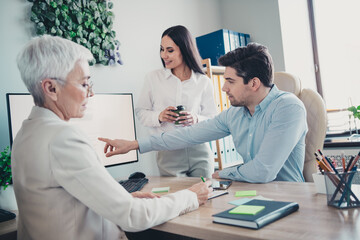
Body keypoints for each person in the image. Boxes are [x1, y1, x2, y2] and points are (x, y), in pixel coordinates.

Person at [11, 35, 212, 240]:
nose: (90, 93)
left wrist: (118, 197)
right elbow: (132, 216)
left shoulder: (25, 133)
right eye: (84, 84)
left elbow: (60, 203)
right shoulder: (62, 138)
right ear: (51, 88)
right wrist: (190, 196)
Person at [99, 43, 308, 183]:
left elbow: (263, 171)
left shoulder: (288, 108)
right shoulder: (234, 115)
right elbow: (187, 135)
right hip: (251, 194)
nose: (224, 88)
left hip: (290, 199)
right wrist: (134, 144)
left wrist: (221, 174)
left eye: (230, 81)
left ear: (254, 83)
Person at [135, 25, 217, 178]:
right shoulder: (153, 78)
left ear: (185, 50)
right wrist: (159, 116)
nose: (163, 55)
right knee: (176, 199)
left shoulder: (203, 81)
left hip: (199, 150)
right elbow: (140, 112)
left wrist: (196, 118)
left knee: (206, 197)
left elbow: (213, 119)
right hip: (168, 151)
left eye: (170, 50)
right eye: (161, 49)